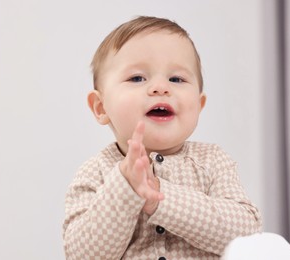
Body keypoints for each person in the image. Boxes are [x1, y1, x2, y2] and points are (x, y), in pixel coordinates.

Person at [63, 16, 262, 260]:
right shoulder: (95, 173)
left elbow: (247, 234)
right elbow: (82, 255)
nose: (160, 87)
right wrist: (124, 187)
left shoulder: (212, 161)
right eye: (137, 78)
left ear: (199, 106)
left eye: (176, 79)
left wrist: (161, 198)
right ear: (101, 107)